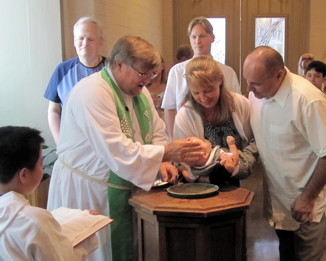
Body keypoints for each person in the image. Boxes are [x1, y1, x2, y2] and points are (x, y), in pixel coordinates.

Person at [47, 35, 206, 261]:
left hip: (122, 187)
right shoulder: (93, 93)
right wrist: (167, 152)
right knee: (97, 253)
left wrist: (162, 160)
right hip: (89, 191)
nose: (148, 81)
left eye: (153, 74)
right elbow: (116, 149)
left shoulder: (138, 92)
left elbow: (156, 130)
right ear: (119, 64)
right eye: (143, 74)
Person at [244, 46, 326, 261]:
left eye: (256, 83)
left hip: (312, 206)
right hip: (281, 203)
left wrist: (307, 198)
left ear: (279, 75)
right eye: (247, 81)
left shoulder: (308, 100)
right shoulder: (257, 95)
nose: (250, 89)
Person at [0, 126, 98, 261]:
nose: (42, 169)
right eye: (41, 163)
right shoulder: (33, 221)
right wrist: (88, 236)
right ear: (24, 174)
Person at [173, 56, 258, 186]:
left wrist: (237, 167)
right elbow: (184, 163)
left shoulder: (240, 104)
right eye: (196, 93)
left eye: (208, 90)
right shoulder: (185, 115)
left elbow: (252, 144)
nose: (203, 98)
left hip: (233, 178)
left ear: (220, 79)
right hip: (196, 184)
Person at [161, 16, 241, 139]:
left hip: (222, 137)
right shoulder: (177, 71)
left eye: (202, 36)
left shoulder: (228, 72)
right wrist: (173, 139)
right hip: (187, 134)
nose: (197, 41)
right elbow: (170, 108)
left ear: (212, 38)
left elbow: (236, 107)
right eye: (193, 37)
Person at [44, 16, 105, 144]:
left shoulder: (113, 70)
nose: (85, 43)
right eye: (80, 38)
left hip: (106, 143)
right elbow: (54, 110)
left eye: (90, 39)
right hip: (73, 145)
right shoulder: (62, 70)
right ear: (74, 41)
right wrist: (60, 142)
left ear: (101, 42)